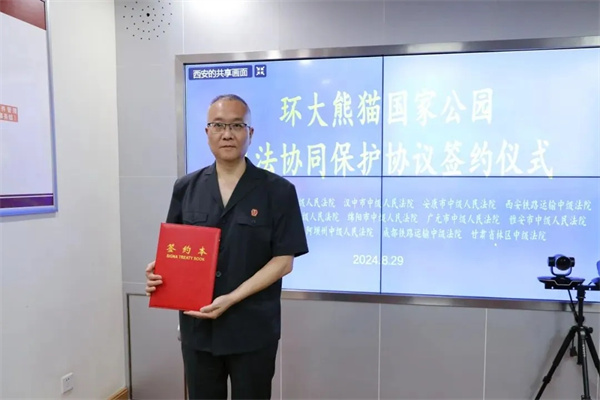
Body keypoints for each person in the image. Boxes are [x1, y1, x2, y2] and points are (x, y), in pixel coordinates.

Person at [145, 94, 309, 400]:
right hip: (198, 329)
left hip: (252, 329)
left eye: (236, 125)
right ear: (207, 132)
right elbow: (175, 250)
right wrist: (159, 272)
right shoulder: (186, 188)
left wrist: (232, 298)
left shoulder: (278, 191)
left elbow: (284, 261)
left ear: (250, 133)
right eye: (218, 125)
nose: (227, 134)